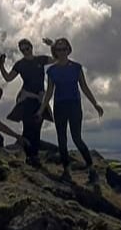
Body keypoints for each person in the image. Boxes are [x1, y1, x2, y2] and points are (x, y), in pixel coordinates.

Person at [38, 37, 104, 183]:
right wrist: (41, 109)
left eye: (64, 49)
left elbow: (84, 87)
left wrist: (95, 104)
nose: (62, 52)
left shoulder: (76, 67)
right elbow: (49, 92)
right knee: (62, 139)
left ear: (69, 50)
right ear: (55, 52)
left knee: (77, 138)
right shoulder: (52, 71)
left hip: (74, 106)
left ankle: (91, 169)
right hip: (59, 106)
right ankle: (66, 171)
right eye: (59, 49)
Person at [0, 38, 54, 166]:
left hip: (40, 100)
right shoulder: (19, 64)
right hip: (26, 100)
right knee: (28, 128)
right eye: (22, 50)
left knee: (37, 128)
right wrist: (1, 65)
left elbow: (56, 59)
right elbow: (8, 78)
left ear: (31, 47)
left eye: (26, 48)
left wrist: (52, 45)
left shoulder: (40, 59)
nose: (25, 51)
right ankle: (30, 157)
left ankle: (34, 156)